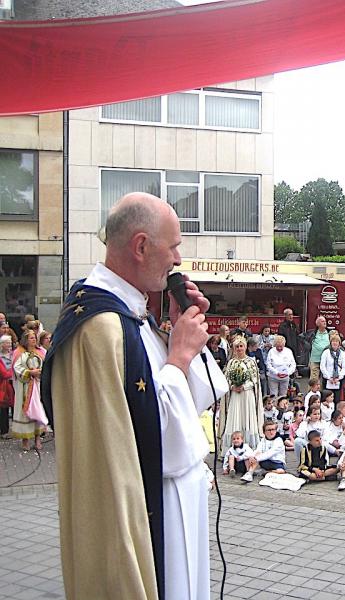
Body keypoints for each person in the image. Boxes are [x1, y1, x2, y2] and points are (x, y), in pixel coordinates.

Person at [41, 193, 228, 600]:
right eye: (174, 245)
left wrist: (180, 333)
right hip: (147, 512)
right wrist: (177, 356)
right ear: (141, 246)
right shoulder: (101, 327)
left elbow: (189, 400)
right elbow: (156, 441)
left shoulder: (130, 313)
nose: (179, 259)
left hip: (170, 502)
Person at [218, 335, 262, 449]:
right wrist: (232, 386)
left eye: (241, 346)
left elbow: (255, 381)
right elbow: (226, 379)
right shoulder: (231, 363)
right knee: (235, 416)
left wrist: (245, 386)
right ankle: (233, 445)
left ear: (245, 347)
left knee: (247, 417)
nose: (239, 349)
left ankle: (249, 445)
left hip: (247, 395)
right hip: (235, 395)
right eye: (237, 347)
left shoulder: (251, 362)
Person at [12, 329, 46, 451]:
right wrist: (30, 372)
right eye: (31, 338)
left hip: (37, 386)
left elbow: (44, 366)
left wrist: (40, 373)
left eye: (34, 338)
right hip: (25, 388)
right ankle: (25, 440)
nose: (34, 340)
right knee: (25, 412)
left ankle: (37, 439)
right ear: (26, 340)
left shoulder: (39, 353)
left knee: (37, 410)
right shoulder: (20, 353)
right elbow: (17, 368)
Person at [320, 335, 345, 404]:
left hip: (338, 380)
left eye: (336, 341)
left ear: (339, 343)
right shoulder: (326, 352)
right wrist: (329, 377)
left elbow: (344, 367)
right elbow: (322, 366)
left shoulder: (342, 353)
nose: (335, 343)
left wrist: (339, 377)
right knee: (327, 398)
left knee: (336, 399)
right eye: (333, 341)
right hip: (328, 379)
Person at [304, 316, 330, 383]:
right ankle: (312, 393)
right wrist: (307, 346)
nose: (325, 322)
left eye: (325, 321)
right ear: (318, 324)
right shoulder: (312, 333)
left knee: (325, 379)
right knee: (313, 380)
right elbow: (301, 338)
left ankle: (322, 393)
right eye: (322, 321)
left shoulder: (329, 333)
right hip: (315, 359)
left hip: (327, 360)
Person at [0, 335, 14, 437]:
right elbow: (4, 373)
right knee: (4, 407)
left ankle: (17, 428)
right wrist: (13, 372)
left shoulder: (13, 355)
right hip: (4, 384)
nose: (9, 344)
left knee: (16, 406)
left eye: (10, 342)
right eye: (7, 342)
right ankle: (4, 431)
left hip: (14, 383)